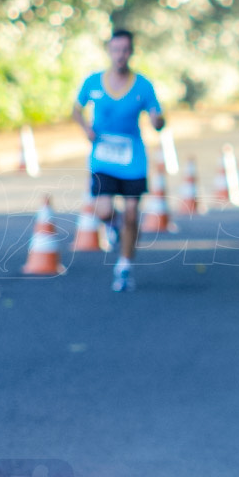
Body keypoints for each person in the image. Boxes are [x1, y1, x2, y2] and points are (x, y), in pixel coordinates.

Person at [72, 29, 165, 292]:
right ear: (108, 51)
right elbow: (76, 110)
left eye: (125, 50)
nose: (120, 55)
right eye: (116, 50)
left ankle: (124, 266)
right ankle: (114, 226)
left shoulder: (143, 85)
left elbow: (157, 116)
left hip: (132, 158)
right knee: (102, 210)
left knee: (133, 214)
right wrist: (86, 129)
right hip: (103, 157)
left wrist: (158, 121)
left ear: (131, 52)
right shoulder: (93, 82)